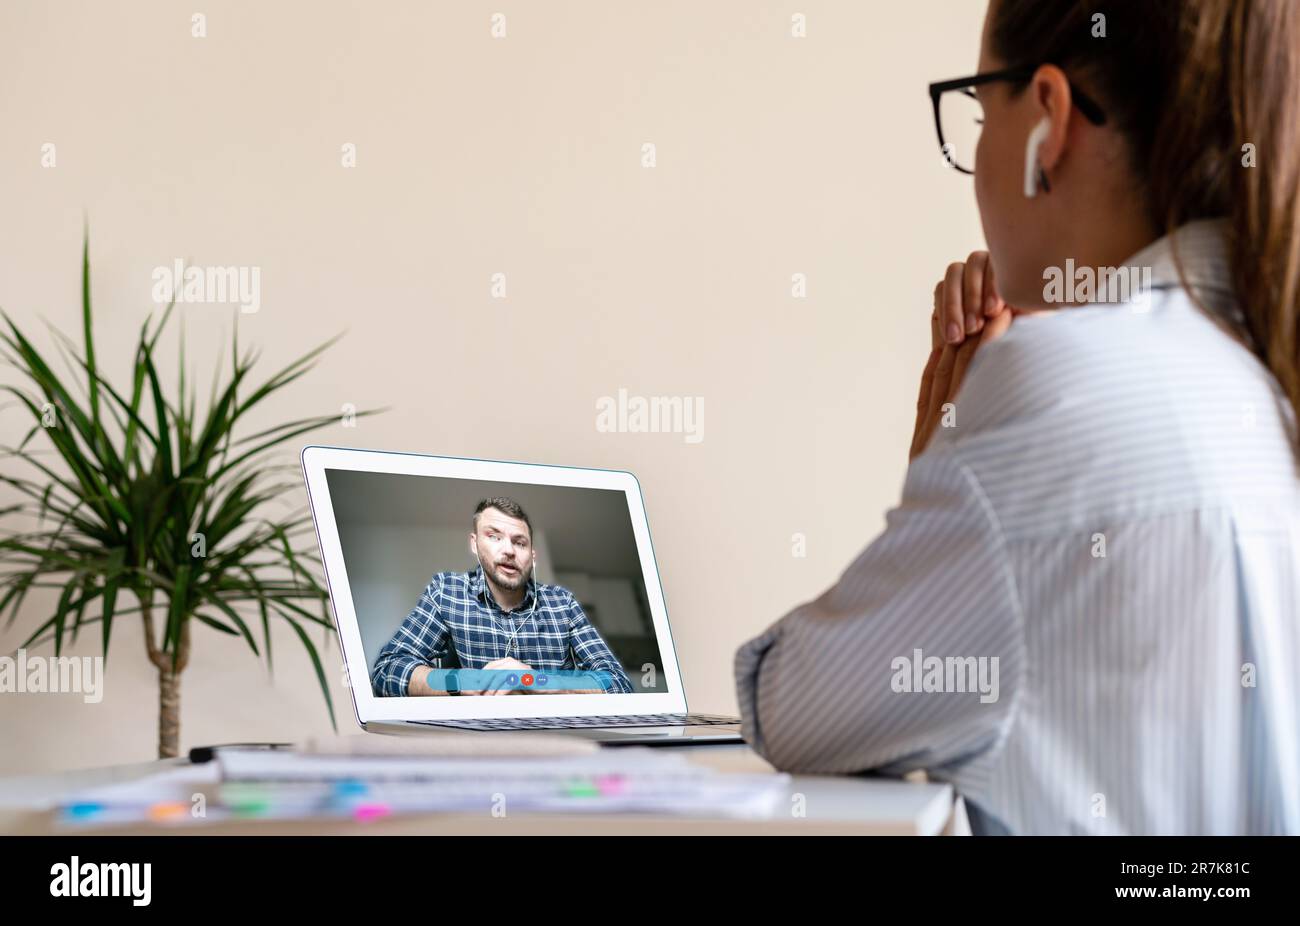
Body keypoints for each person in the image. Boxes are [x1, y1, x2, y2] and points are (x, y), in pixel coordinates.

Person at [735, 0, 1300, 835]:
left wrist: (946, 454)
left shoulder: (1057, 383)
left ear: (1048, 119)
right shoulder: (1263, 364)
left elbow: (796, 706)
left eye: (974, 107)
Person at [373, 497, 634, 696]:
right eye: (494, 536)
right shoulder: (447, 592)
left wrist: (536, 680)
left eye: (520, 542)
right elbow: (387, 671)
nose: (509, 550)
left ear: (532, 555)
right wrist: (464, 681)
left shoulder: (562, 603)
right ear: (475, 544)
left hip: (557, 746)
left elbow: (616, 682)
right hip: (474, 748)